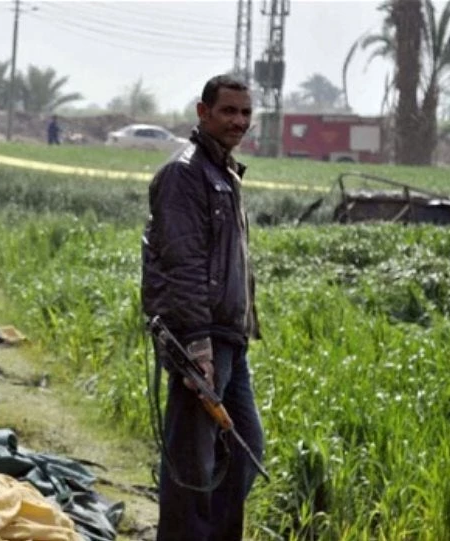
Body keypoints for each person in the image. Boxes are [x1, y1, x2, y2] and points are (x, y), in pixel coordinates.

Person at [140, 74, 263, 541]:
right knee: (194, 462)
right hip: (202, 338)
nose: (238, 121)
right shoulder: (185, 175)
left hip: (229, 337)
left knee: (245, 448)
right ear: (203, 112)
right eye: (229, 111)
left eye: (246, 113)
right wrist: (197, 346)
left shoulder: (224, 174)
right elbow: (184, 263)